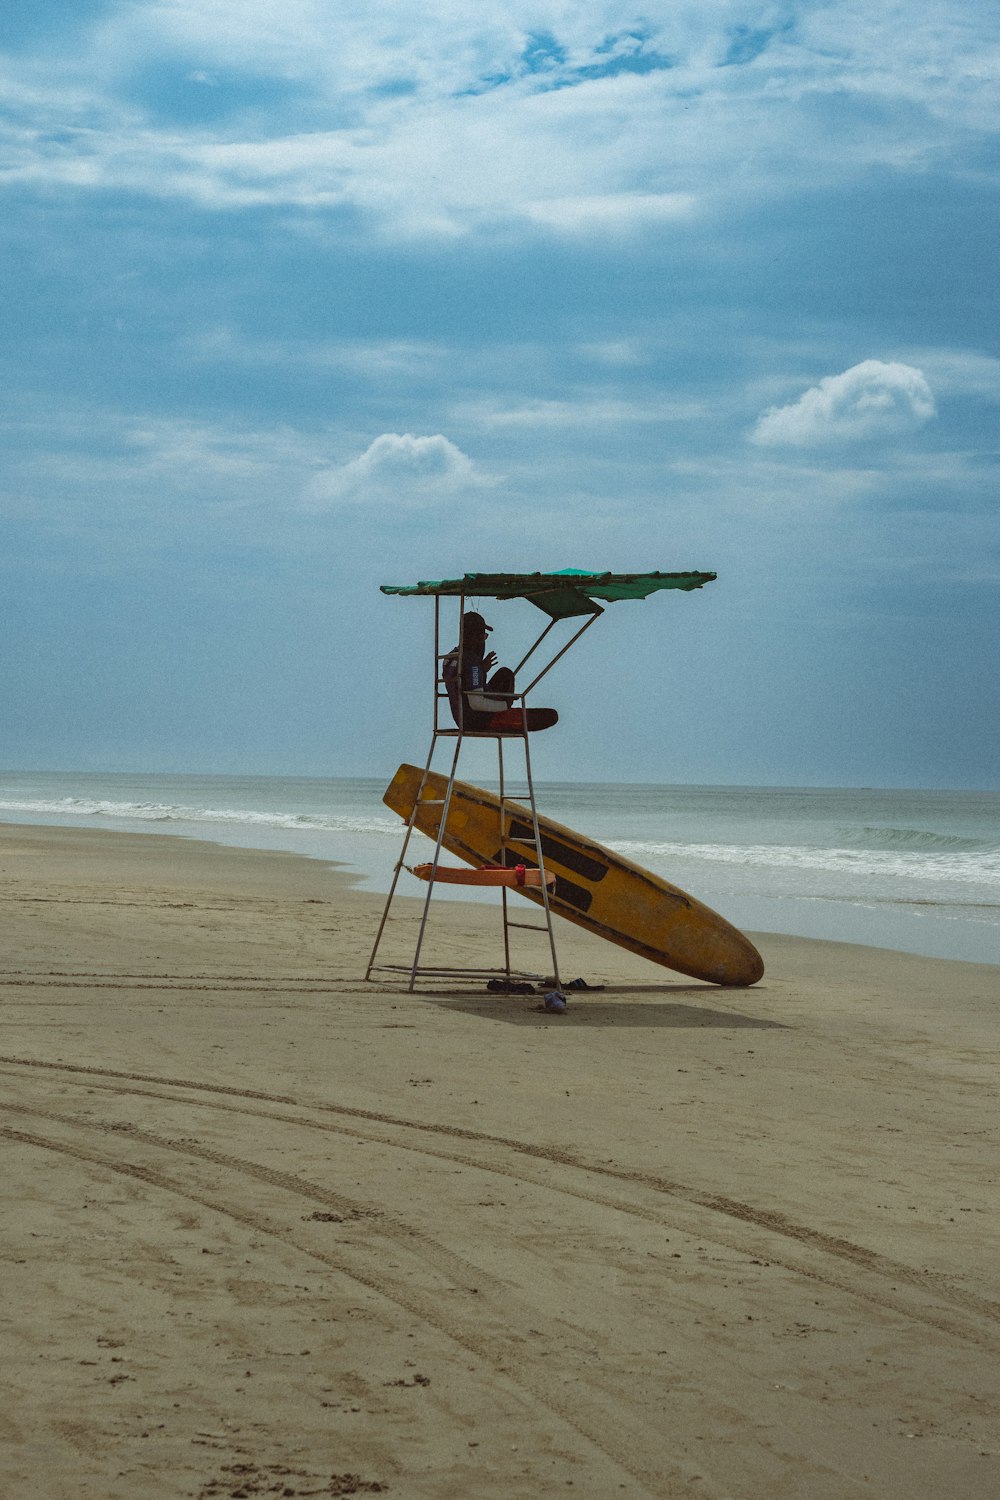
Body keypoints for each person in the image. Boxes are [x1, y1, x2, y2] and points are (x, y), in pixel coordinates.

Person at [441, 611, 558, 734]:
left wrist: (483, 670)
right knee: (550, 716)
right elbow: (476, 703)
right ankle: (505, 708)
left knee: (505, 674)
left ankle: (503, 705)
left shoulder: (450, 657)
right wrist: (505, 705)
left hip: (461, 717)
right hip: (481, 719)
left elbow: (465, 683)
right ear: (472, 636)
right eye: (482, 637)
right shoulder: (472, 663)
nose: (483, 641)